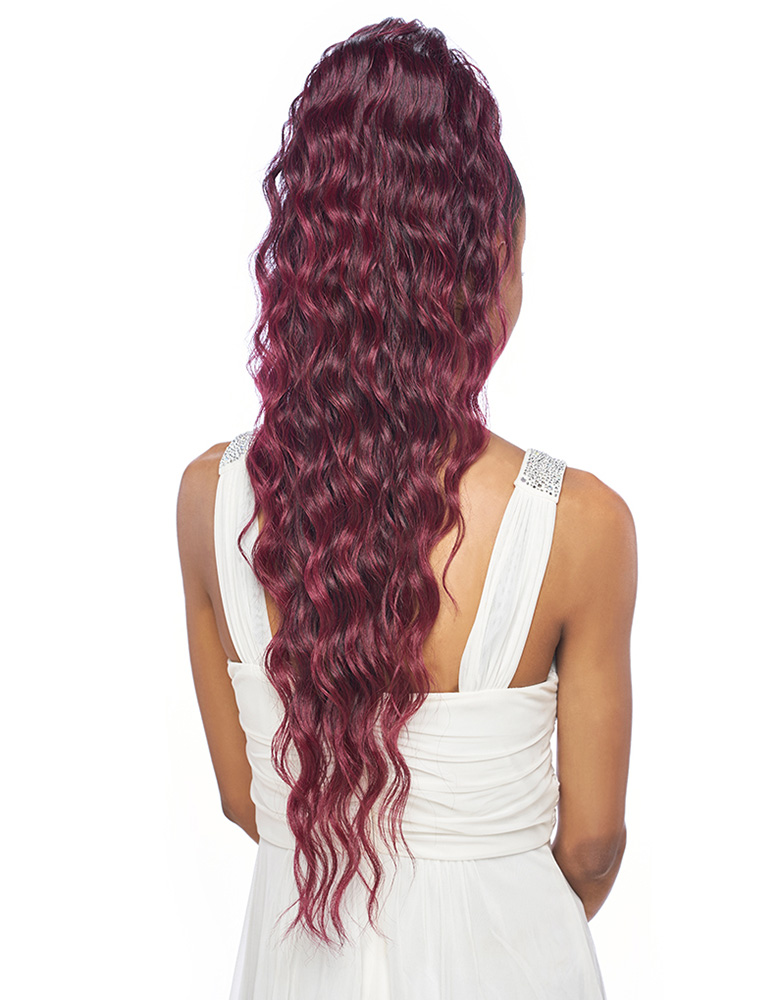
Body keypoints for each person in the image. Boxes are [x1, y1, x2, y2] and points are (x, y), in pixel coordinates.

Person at [176, 17, 636, 999]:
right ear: (482, 263)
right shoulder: (580, 525)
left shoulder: (210, 499)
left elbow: (244, 797)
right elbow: (591, 845)